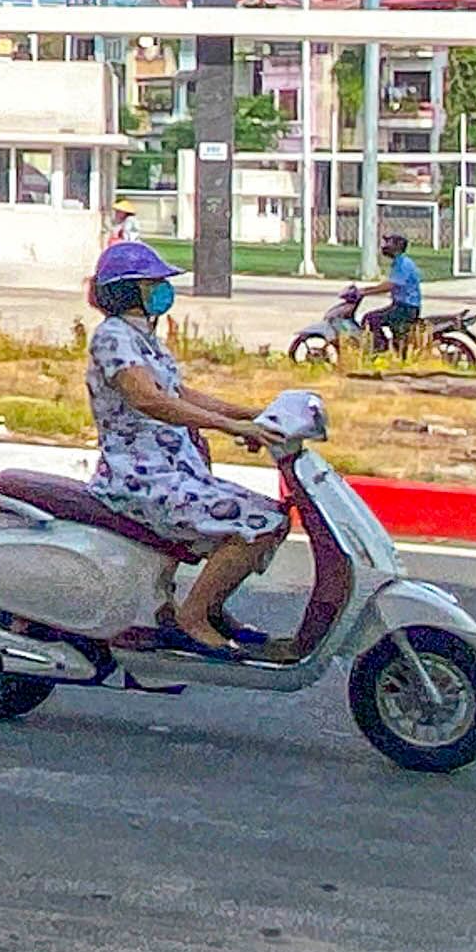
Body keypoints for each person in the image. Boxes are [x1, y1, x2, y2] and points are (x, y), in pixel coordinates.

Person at [81, 236, 296, 657]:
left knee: (274, 517)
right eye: (153, 283)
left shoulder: (140, 337)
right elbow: (149, 398)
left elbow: (179, 393)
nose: (163, 289)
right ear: (129, 291)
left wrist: (247, 417)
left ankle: (210, 608)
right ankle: (192, 618)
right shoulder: (113, 337)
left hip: (175, 470)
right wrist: (228, 424)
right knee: (256, 524)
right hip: (140, 478)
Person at [361, 228, 424, 354]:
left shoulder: (403, 264)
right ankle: (389, 348)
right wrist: (364, 290)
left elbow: (390, 285)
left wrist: (364, 292)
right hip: (401, 305)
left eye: (388, 243)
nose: (384, 246)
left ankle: (380, 349)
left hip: (406, 308)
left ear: (397, 246)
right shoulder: (400, 262)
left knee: (371, 319)